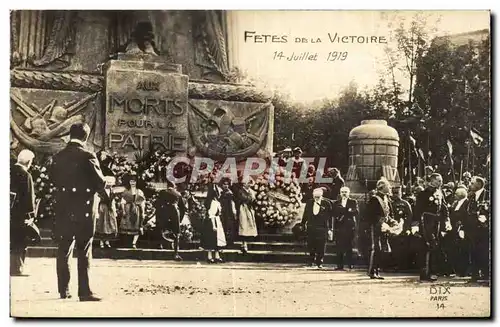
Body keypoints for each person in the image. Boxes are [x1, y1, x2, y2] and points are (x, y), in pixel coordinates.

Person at [51, 123, 106, 301]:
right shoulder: (88, 156)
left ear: (70, 135)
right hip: (84, 209)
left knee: (64, 248)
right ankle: (84, 292)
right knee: (84, 249)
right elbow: (99, 182)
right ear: (86, 137)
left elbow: (53, 179)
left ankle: (63, 290)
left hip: (64, 209)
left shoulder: (58, 156)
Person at [412, 173, 451, 282]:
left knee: (435, 246)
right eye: (438, 180)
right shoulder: (423, 194)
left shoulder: (440, 192)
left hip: (436, 223)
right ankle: (425, 272)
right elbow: (417, 210)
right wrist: (415, 225)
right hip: (426, 222)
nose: (441, 182)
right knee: (427, 245)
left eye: (441, 180)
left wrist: (447, 220)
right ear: (432, 181)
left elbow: (444, 207)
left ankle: (432, 271)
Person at [10, 149, 36, 276]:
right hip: (19, 216)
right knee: (19, 241)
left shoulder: (9, 171)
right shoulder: (26, 176)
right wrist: (31, 216)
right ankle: (17, 268)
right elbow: (29, 198)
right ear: (29, 162)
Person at [366, 179, 394, 280]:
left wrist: (392, 222)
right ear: (382, 187)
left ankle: (376, 271)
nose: (390, 188)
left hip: (384, 227)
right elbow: (369, 215)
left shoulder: (386, 198)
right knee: (376, 248)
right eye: (388, 186)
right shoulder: (374, 199)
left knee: (382, 249)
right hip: (376, 227)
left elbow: (388, 214)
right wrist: (381, 222)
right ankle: (372, 272)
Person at [300, 187, 333, 269]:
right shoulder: (309, 202)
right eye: (315, 197)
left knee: (321, 246)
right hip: (311, 227)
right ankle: (310, 261)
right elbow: (305, 214)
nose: (316, 198)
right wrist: (303, 224)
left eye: (318, 197)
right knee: (311, 244)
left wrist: (330, 228)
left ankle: (319, 262)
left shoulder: (327, 203)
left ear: (321, 196)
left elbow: (330, 217)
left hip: (322, 228)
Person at [465, 176, 489, 282]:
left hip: (484, 229)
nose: (470, 185)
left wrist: (486, 219)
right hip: (472, 229)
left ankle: (486, 274)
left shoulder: (488, 195)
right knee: (473, 251)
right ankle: (474, 275)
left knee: (483, 251)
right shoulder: (471, 196)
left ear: (479, 184)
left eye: (472, 183)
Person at [443, 186, 469, 277]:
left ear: (461, 195)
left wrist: (462, 228)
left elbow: (466, 216)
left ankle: (463, 271)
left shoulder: (467, 203)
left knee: (463, 250)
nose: (454, 195)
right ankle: (454, 269)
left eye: (456, 194)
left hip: (461, 229)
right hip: (453, 229)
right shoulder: (455, 203)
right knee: (453, 250)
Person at [332, 186, 359, 270]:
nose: (344, 193)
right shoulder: (336, 203)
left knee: (349, 246)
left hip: (349, 227)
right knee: (339, 246)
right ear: (340, 193)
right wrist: (347, 211)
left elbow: (356, 212)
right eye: (342, 192)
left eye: (345, 192)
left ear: (348, 193)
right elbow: (334, 213)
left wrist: (345, 211)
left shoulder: (353, 202)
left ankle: (350, 264)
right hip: (339, 227)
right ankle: (339, 265)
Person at [94, 151, 118, 248]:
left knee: (109, 225)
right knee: (101, 225)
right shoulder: (100, 192)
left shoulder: (111, 192)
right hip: (102, 208)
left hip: (109, 209)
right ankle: (101, 241)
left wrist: (114, 209)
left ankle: (107, 241)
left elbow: (113, 201)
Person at [154, 187, 182, 260]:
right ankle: (176, 253)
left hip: (164, 213)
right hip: (175, 213)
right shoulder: (178, 194)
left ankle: (160, 246)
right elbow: (183, 208)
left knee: (161, 230)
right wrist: (180, 219)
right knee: (176, 233)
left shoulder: (162, 193)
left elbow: (157, 204)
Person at [119, 173, 146, 249]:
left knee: (136, 225)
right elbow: (122, 202)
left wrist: (142, 211)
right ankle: (126, 243)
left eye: (134, 181)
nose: (133, 183)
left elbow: (142, 202)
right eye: (131, 181)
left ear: (136, 182)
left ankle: (134, 243)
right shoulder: (126, 191)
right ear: (129, 182)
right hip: (128, 209)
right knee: (127, 225)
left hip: (136, 210)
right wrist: (123, 211)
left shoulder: (139, 191)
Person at [390, 186, 413, 270]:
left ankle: (403, 265)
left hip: (403, 228)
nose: (395, 195)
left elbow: (410, 216)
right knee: (394, 246)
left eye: (397, 193)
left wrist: (407, 228)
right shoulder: (390, 204)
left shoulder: (405, 204)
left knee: (403, 247)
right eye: (394, 193)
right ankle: (395, 264)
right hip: (393, 228)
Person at [202, 183, 226, 263]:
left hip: (217, 220)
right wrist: (214, 225)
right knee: (212, 239)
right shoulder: (213, 203)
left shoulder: (217, 202)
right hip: (213, 221)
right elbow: (211, 214)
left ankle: (217, 256)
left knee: (217, 240)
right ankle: (209, 256)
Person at [236, 179, 258, 254]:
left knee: (249, 225)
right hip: (243, 209)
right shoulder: (241, 191)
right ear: (244, 184)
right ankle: (244, 243)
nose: (249, 184)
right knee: (243, 224)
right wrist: (250, 198)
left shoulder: (251, 191)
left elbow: (254, 200)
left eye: (250, 183)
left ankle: (246, 243)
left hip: (249, 209)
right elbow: (244, 199)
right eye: (247, 183)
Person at [219, 178, 237, 246]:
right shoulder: (220, 193)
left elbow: (232, 203)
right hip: (222, 211)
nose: (226, 186)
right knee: (223, 225)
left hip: (229, 212)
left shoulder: (230, 193)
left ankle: (230, 241)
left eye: (227, 184)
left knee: (229, 226)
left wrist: (234, 212)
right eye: (224, 184)